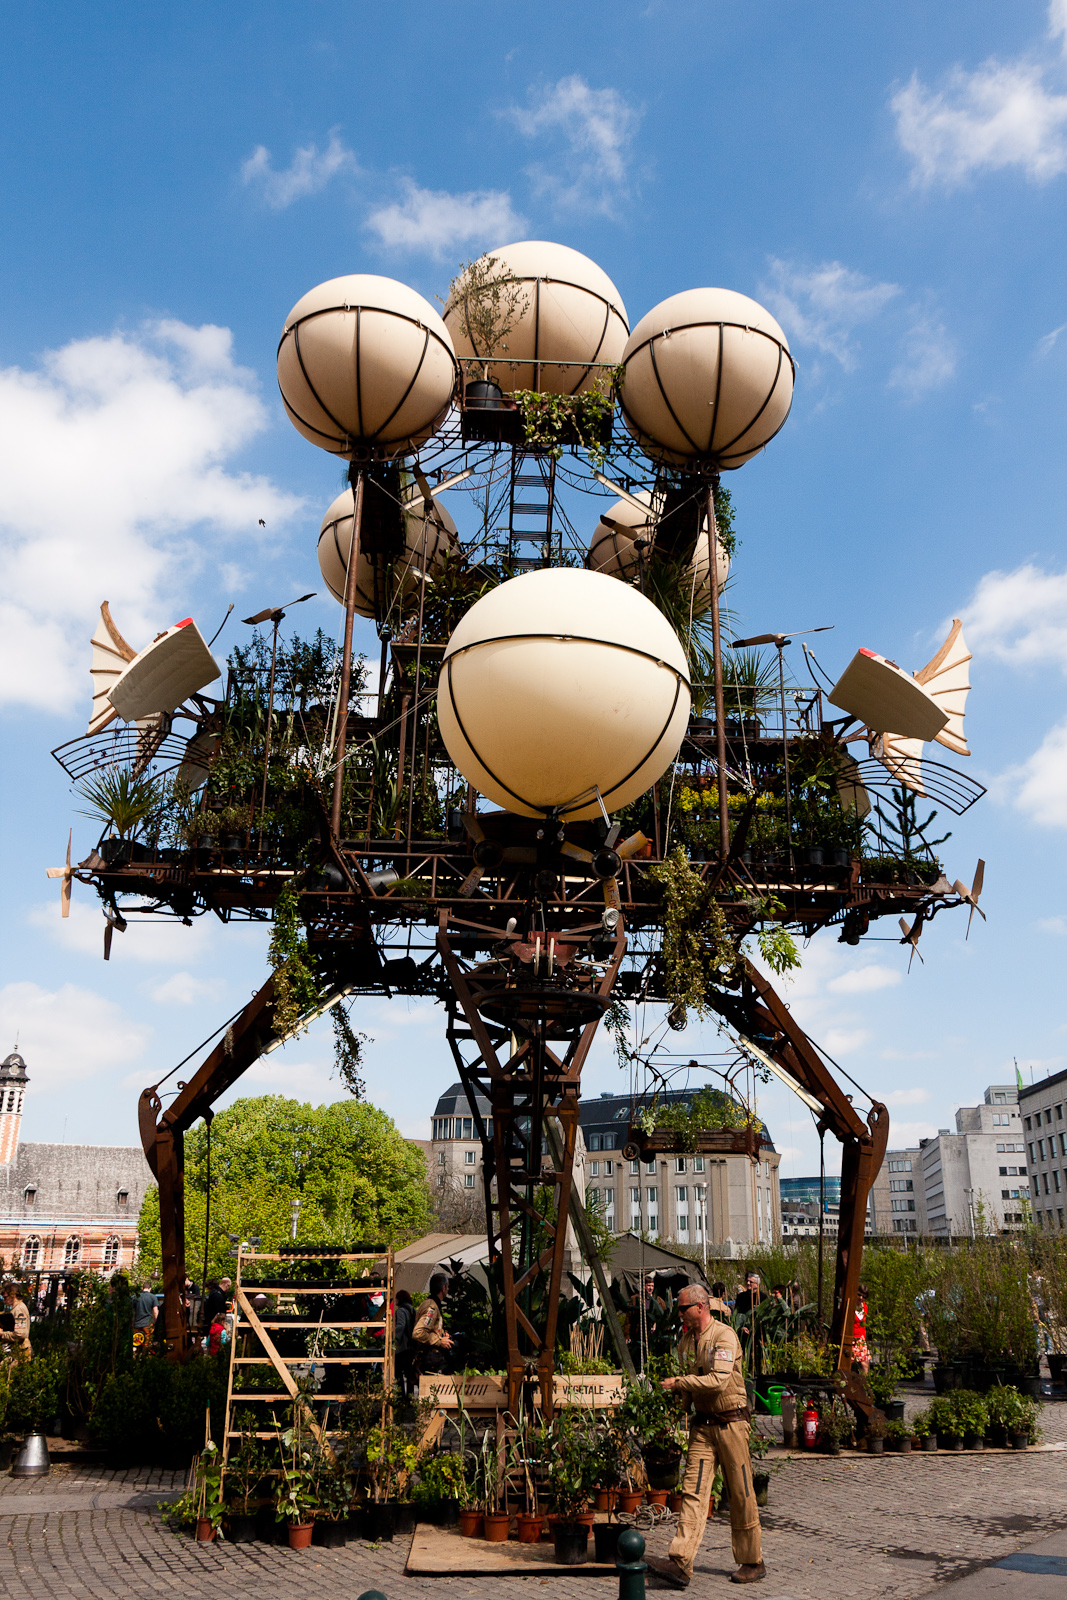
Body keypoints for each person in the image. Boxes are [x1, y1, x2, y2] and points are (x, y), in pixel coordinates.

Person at [645, 1284, 765, 1587]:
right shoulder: (686, 1341)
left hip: (731, 1424)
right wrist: (673, 1414)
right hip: (703, 1426)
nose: (679, 1313)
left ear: (700, 1307)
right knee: (693, 1491)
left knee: (740, 1492)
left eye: (683, 1308)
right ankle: (680, 1562)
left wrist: (679, 1383)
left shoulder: (724, 1335)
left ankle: (752, 1561)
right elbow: (689, 1388)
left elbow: (717, 1380)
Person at [412, 1273, 454, 1375]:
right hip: (429, 1359)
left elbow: (431, 1327)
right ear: (443, 1288)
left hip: (428, 1358)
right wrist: (439, 1341)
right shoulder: (432, 1307)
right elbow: (418, 1333)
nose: (448, 1289)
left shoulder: (430, 1303)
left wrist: (443, 1334)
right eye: (447, 1287)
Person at [0, 1281, 32, 1361]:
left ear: (13, 1295)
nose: (4, 1300)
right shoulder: (16, 1309)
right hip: (16, 1350)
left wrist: (2, 1334)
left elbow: (20, 1334)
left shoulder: (19, 1309)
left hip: (20, 1351)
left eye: (5, 1297)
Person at [394, 1288, 416, 1397]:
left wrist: (393, 1337)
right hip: (412, 1346)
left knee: (398, 1373)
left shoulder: (400, 1311)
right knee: (409, 1373)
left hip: (402, 1346)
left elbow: (400, 1325)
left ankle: (401, 1397)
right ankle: (410, 1397)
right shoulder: (413, 1310)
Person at [132, 1280, 157, 1354]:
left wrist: (131, 1322)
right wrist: (155, 1322)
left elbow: (131, 1311)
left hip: (136, 1324)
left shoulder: (135, 1297)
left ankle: (134, 1357)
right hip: (147, 1324)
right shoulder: (153, 1297)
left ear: (142, 1288)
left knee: (135, 1343)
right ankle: (145, 1357)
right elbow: (155, 1311)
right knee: (147, 1344)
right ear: (150, 1288)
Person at [851, 1284, 870, 1375]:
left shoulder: (865, 1307)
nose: (861, 1298)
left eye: (864, 1296)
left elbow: (864, 1324)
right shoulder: (850, 1306)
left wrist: (864, 1338)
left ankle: (864, 1381)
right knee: (849, 1364)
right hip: (851, 1338)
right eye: (859, 1295)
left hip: (861, 1339)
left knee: (865, 1365)